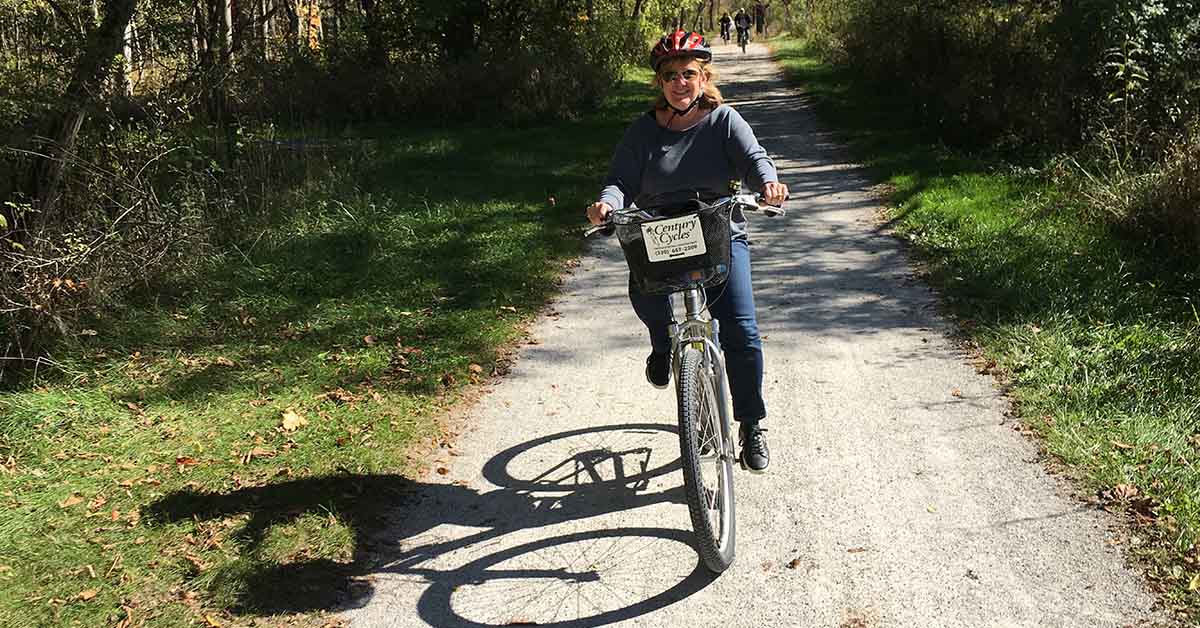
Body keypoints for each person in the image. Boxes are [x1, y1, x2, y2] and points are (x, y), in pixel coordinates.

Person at [586, 30, 788, 473]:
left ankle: (751, 424)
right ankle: (662, 346)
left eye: (689, 74)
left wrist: (767, 183)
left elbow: (755, 159)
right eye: (671, 75)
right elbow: (620, 179)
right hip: (661, 232)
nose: (680, 83)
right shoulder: (642, 131)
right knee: (645, 295)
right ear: (660, 82)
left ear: (704, 77)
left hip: (716, 230)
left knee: (741, 329)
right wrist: (608, 204)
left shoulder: (724, 120)